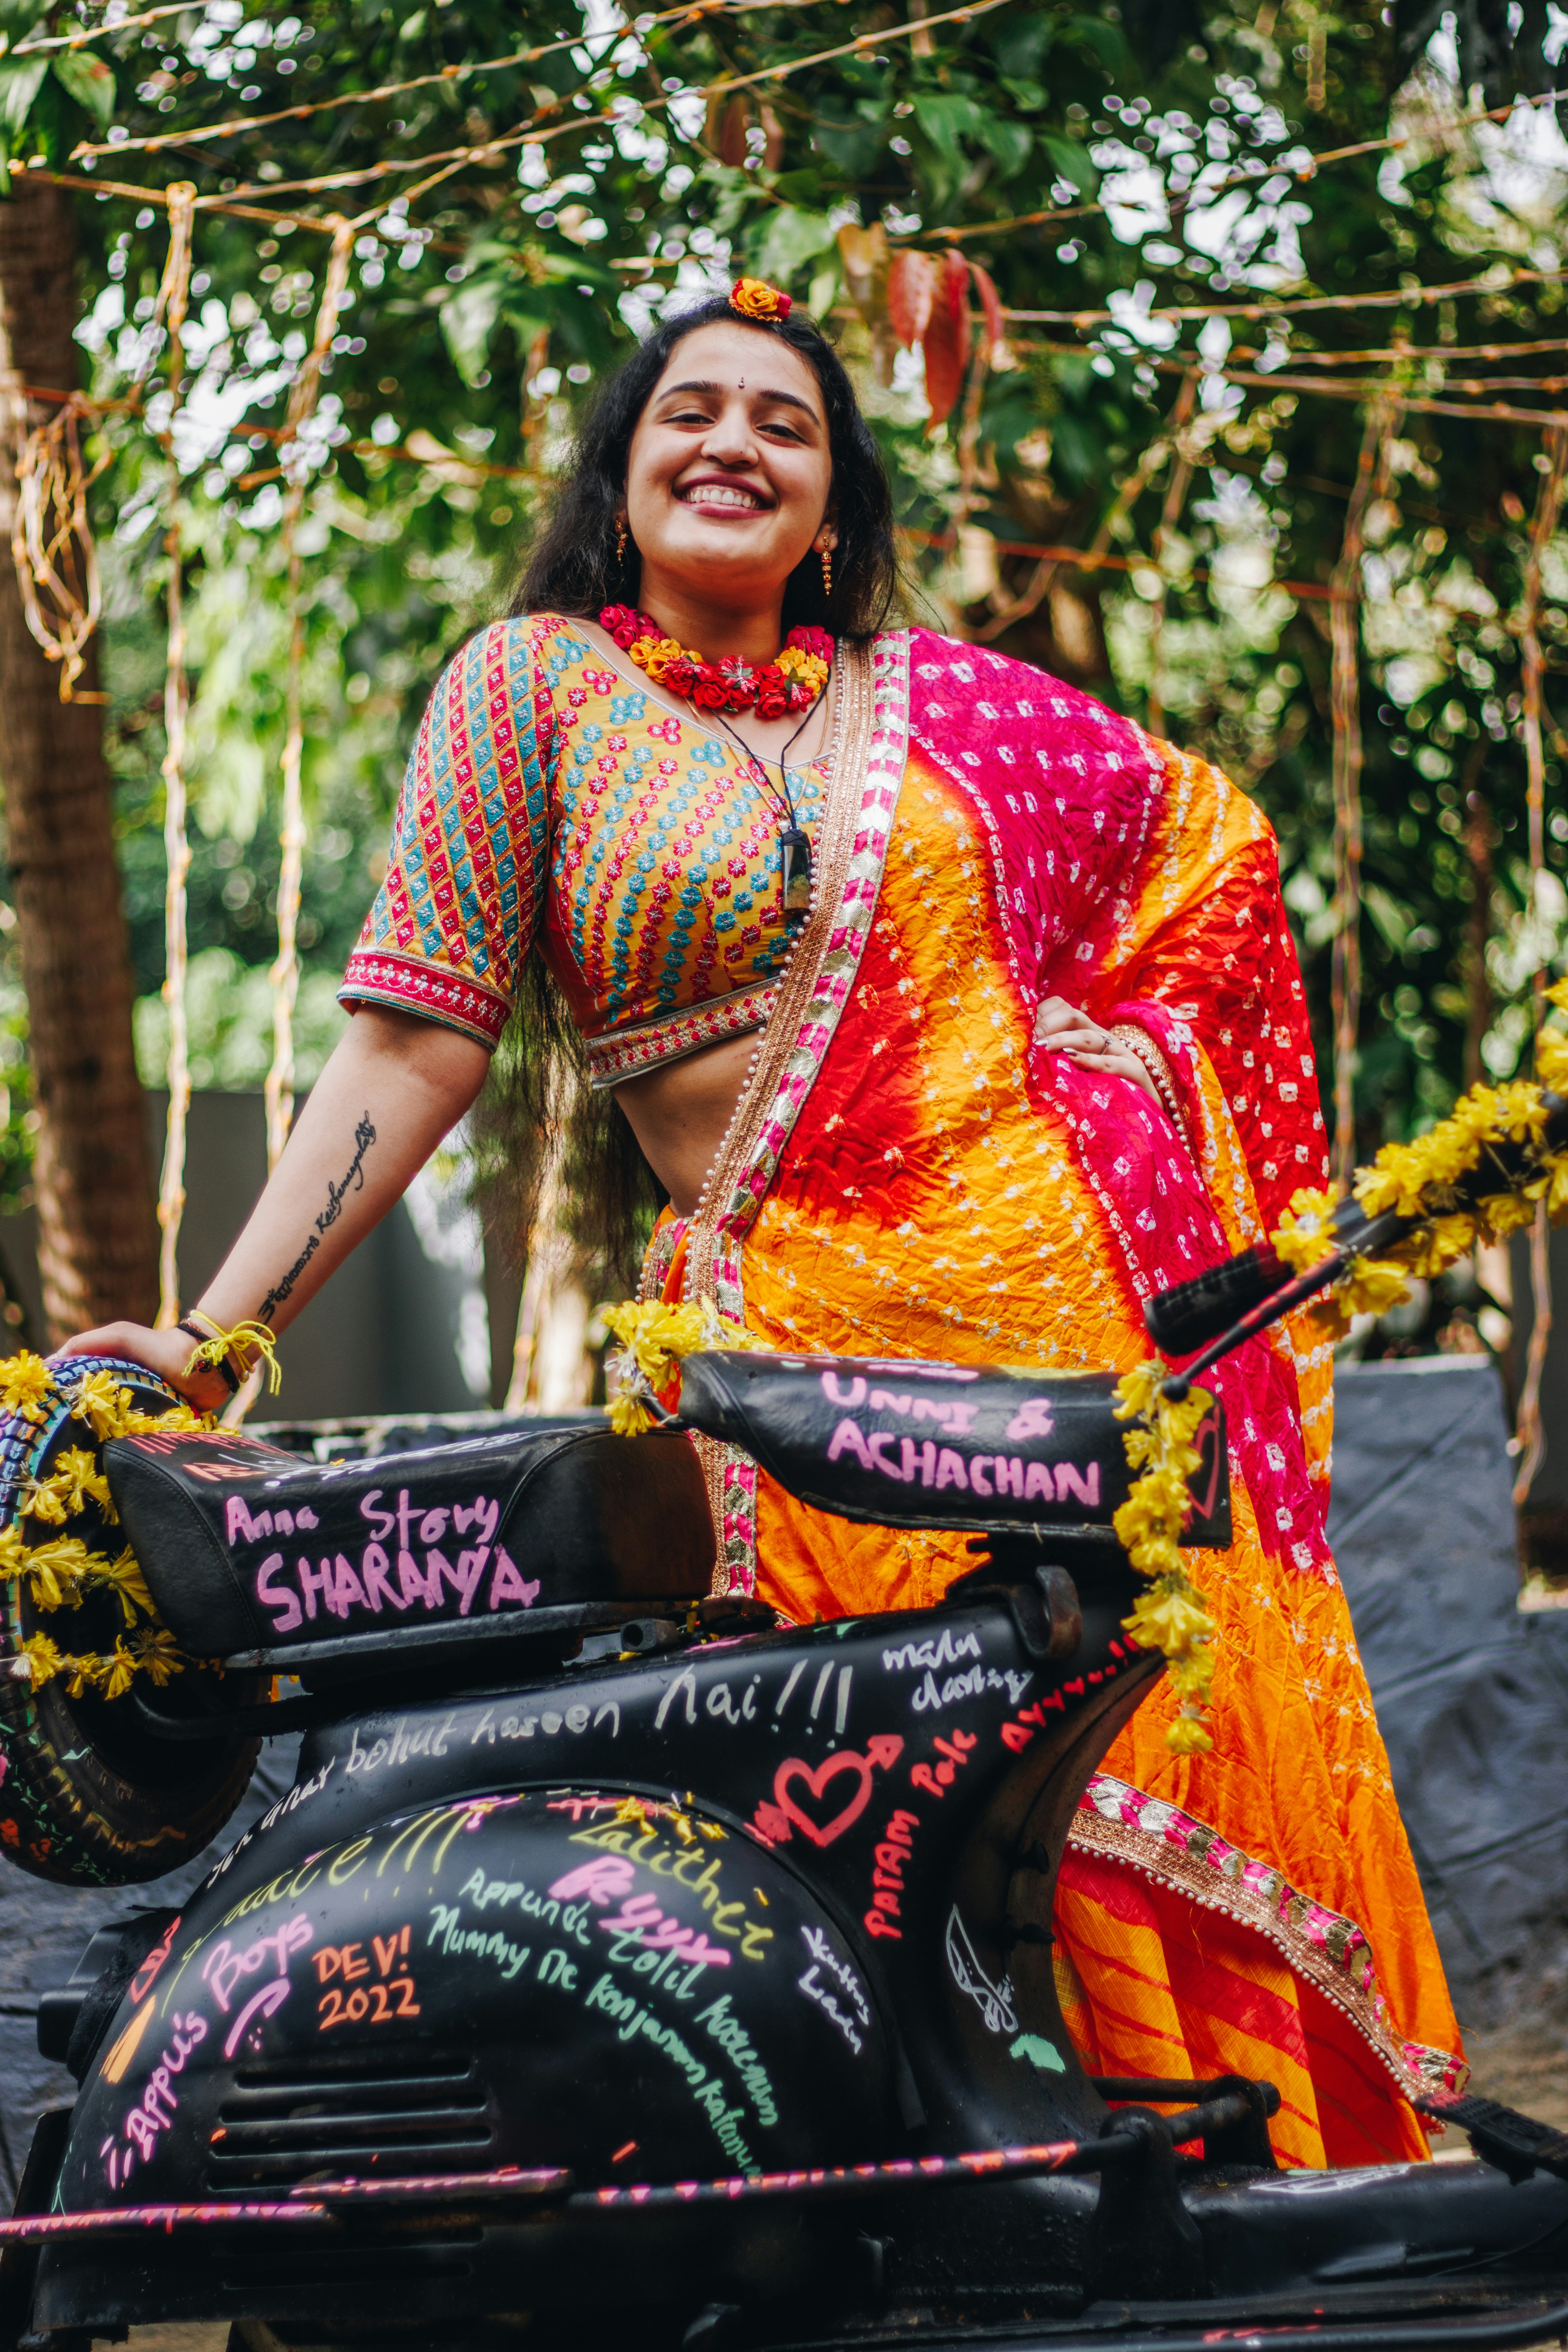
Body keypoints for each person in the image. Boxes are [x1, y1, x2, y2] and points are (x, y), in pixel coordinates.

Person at [59, 277, 1461, 2168]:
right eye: (689, 412)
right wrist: (216, 1337)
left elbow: (1209, 850)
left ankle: (1192, 2200)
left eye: (785, 424)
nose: (733, 440)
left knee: (1116, 1755)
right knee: (876, 1818)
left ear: (832, 510)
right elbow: (409, 1044)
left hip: (1063, 1333)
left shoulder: (948, 714)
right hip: (799, 1372)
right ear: (625, 475)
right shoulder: (535, 691)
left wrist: (1106, 1072)